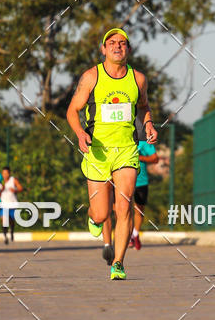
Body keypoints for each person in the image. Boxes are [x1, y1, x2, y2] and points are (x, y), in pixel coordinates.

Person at [67, 27, 157, 280]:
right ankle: (94, 220)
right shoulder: (91, 77)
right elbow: (73, 110)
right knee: (101, 213)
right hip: (98, 151)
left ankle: (118, 263)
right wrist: (79, 133)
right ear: (103, 49)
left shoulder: (138, 79)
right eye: (112, 43)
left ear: (128, 49)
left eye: (122, 43)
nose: (117, 46)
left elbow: (144, 107)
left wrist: (148, 124)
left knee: (124, 206)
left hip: (127, 150)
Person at [129, 138, 158, 249]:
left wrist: (139, 157)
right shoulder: (122, 139)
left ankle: (135, 234)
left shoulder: (144, 142)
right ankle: (127, 236)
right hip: (124, 181)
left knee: (139, 210)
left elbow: (155, 158)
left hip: (141, 182)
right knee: (122, 210)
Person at [0, 165, 23, 244]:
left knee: (11, 221)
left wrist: (15, 190)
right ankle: (5, 236)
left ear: (9, 173)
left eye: (6, 173)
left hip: (12, 204)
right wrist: (0, 191)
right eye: (3, 173)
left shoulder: (13, 180)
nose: (5, 175)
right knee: (4, 220)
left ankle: (12, 231)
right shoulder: (0, 182)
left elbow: (20, 188)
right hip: (3, 204)